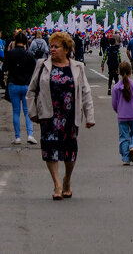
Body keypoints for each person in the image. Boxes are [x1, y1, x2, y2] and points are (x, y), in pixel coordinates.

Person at [28, 32, 95, 199]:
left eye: (56, 47)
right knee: (50, 149)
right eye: (51, 46)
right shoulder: (42, 65)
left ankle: (67, 180)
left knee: (70, 151)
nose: (52, 49)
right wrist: (33, 112)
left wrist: (90, 116)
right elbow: (31, 90)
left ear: (66, 49)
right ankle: (57, 184)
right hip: (49, 115)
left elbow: (85, 92)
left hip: (70, 115)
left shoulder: (77, 67)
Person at [3, 32, 37, 145]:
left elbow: (4, 68)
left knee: (16, 111)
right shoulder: (29, 55)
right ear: (26, 42)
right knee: (27, 112)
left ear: (15, 41)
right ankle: (30, 135)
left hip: (13, 84)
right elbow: (34, 70)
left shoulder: (10, 53)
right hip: (26, 85)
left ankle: (17, 137)